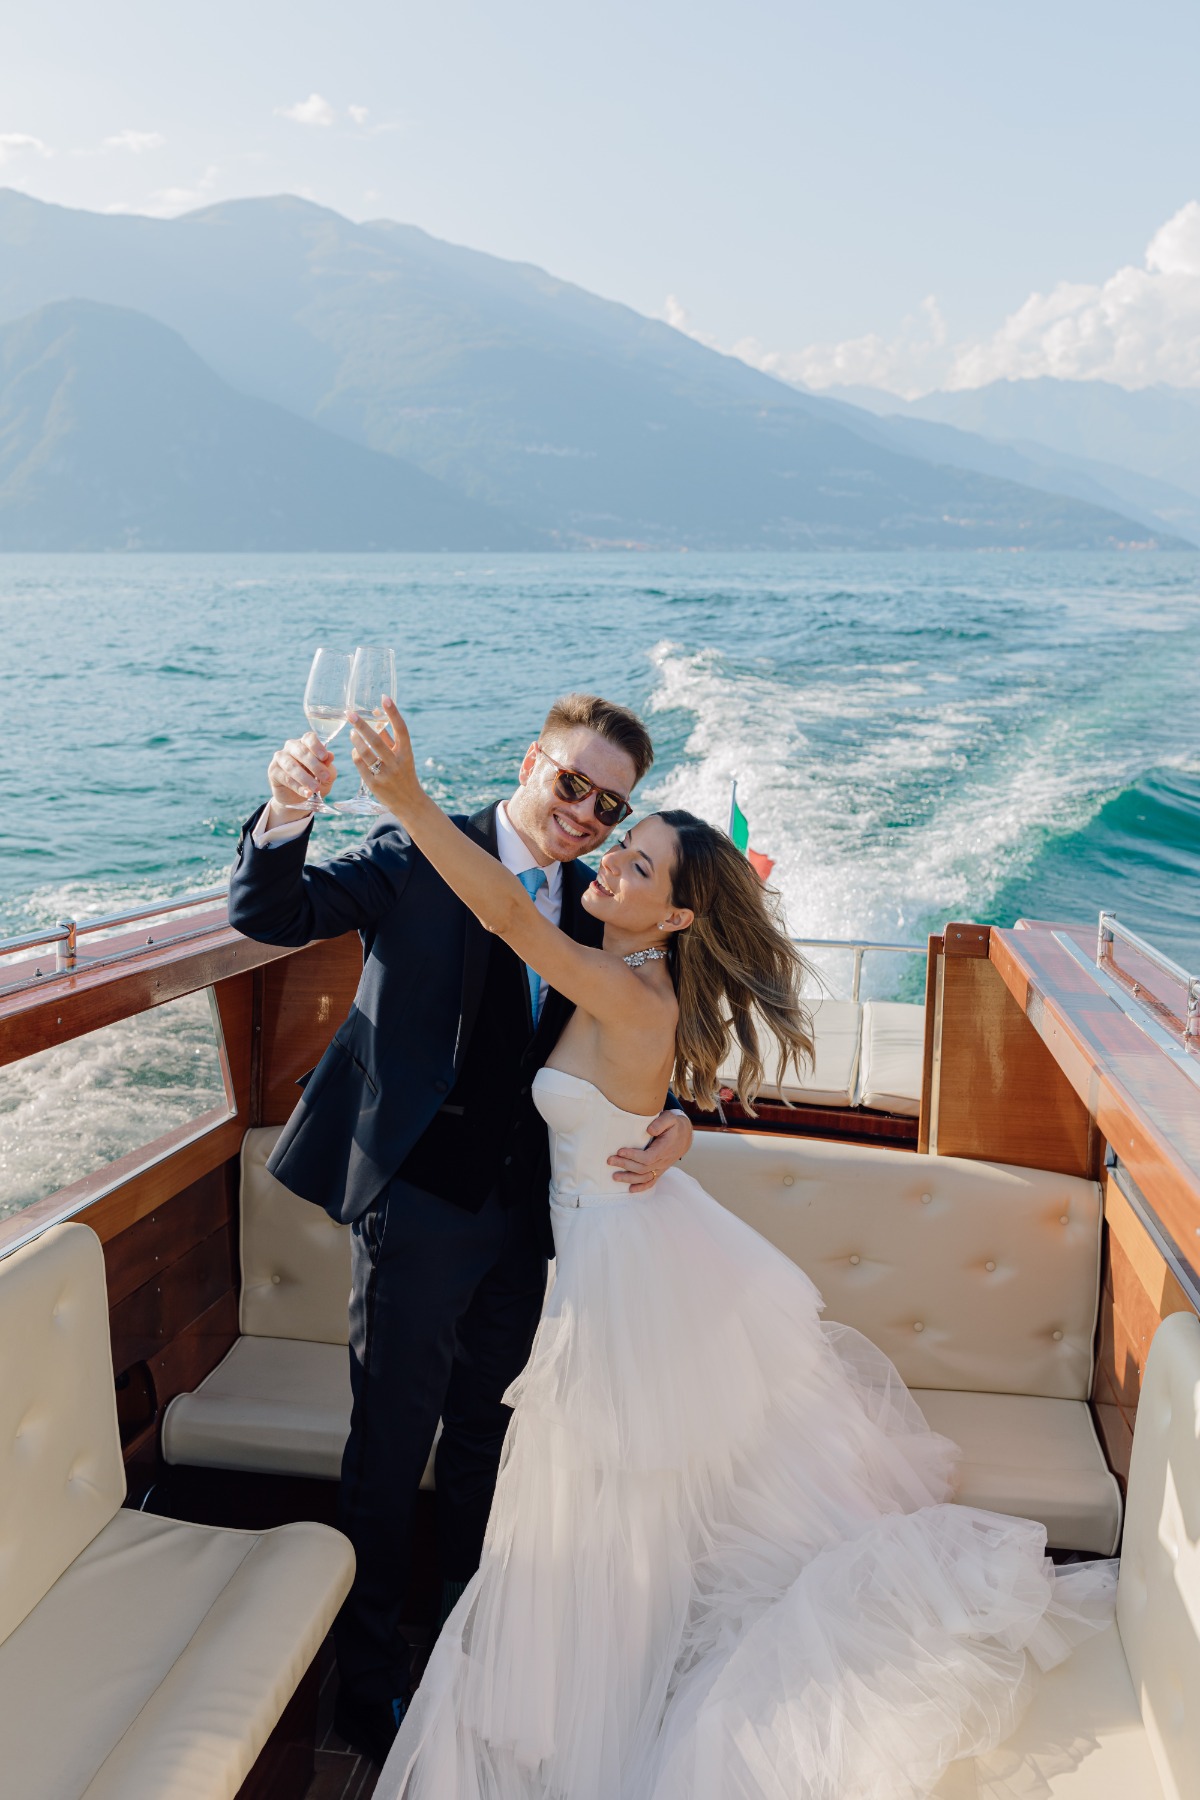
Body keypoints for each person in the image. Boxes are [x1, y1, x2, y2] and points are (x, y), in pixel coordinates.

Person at [348, 699, 1117, 1800]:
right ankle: (580, 1684)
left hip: (619, 1274)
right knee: (601, 1503)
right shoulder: (606, 949)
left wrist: (408, 799)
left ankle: (592, 1706)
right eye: (618, 840)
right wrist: (675, 1120)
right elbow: (548, 977)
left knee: (608, 1504)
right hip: (609, 1249)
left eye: (638, 860)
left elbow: (513, 932)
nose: (608, 856)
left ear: (671, 923)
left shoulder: (618, 979)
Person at [227, 692, 694, 1767]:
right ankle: (370, 1683)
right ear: (534, 762)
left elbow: (646, 1029)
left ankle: (473, 1648)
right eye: (571, 783)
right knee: (389, 1449)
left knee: (493, 1443)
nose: (584, 814)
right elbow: (273, 914)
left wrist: (678, 1121)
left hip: (531, 1221)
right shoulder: (413, 850)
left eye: (609, 804)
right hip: (419, 1205)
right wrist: (287, 813)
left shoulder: (598, 902)